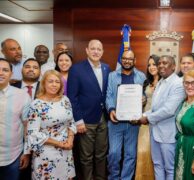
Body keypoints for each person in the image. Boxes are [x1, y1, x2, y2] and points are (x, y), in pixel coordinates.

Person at [68, 39, 111, 180]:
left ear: (102, 52)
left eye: (99, 49)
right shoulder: (76, 69)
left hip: (103, 119)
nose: (96, 51)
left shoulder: (106, 68)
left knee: (101, 154)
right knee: (86, 156)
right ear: (87, 50)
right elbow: (72, 97)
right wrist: (78, 120)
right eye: (93, 48)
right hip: (85, 120)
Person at [139, 55, 186, 180]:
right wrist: (142, 115)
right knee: (157, 165)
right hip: (155, 132)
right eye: (159, 63)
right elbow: (155, 108)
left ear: (173, 66)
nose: (161, 65)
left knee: (169, 168)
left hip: (168, 134)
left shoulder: (178, 83)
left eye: (165, 63)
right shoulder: (160, 82)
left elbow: (169, 110)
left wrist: (147, 119)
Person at [26, 70, 76, 179]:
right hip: (46, 154)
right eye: (51, 81)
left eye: (57, 82)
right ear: (44, 83)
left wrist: (70, 141)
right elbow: (33, 134)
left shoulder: (65, 100)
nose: (54, 85)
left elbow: (71, 122)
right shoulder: (36, 104)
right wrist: (59, 144)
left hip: (66, 151)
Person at [106, 50, 146, 180]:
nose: (127, 61)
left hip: (133, 123)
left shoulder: (141, 76)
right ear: (121, 60)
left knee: (130, 154)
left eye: (130, 59)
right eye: (124, 58)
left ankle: (126, 178)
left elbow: (146, 94)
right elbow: (109, 95)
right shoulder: (112, 75)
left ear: (134, 61)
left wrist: (144, 99)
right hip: (115, 122)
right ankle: (114, 177)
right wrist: (111, 109)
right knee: (114, 153)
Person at [0, 59, 31, 180]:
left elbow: (27, 126)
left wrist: (26, 152)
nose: (1, 73)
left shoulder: (22, 95)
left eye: (5, 70)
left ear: (11, 74)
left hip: (13, 157)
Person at [135, 54, 160, 180]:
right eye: (149, 65)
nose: (151, 67)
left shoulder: (164, 82)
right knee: (143, 153)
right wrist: (142, 101)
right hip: (144, 122)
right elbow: (144, 101)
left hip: (158, 122)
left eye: (154, 64)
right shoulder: (146, 82)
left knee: (155, 157)